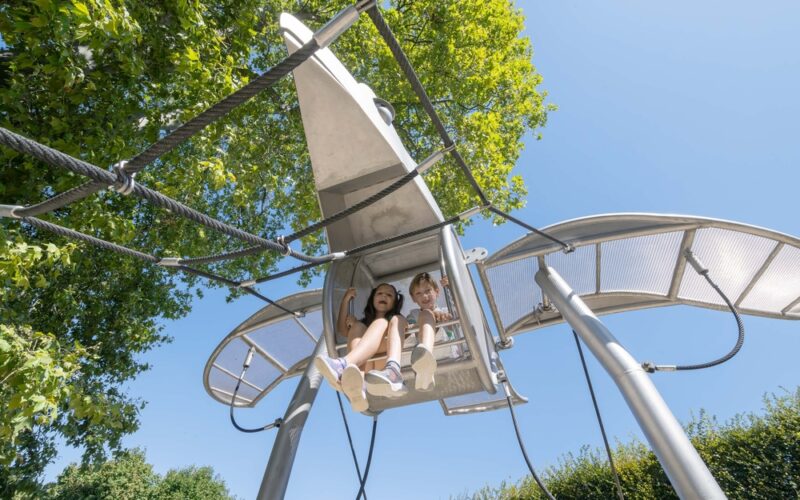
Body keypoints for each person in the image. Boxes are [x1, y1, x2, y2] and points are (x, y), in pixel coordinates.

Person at [315, 283, 406, 411]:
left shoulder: (396, 319)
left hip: (382, 364)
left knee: (380, 322)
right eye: (379, 293)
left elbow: (403, 334)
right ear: (372, 299)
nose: (384, 296)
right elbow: (342, 329)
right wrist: (346, 300)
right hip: (365, 365)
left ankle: (343, 364)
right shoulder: (363, 324)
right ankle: (358, 386)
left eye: (389, 295)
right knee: (357, 326)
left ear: (395, 302)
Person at [366, 272, 452, 395]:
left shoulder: (444, 311)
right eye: (419, 293)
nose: (424, 296)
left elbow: (458, 321)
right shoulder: (413, 314)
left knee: (427, 313)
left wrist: (444, 319)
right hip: (413, 353)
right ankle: (419, 365)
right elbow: (410, 330)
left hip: (441, 346)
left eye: (428, 291)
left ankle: (425, 355)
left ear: (437, 292)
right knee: (414, 317)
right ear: (413, 298)